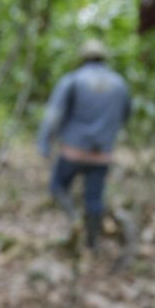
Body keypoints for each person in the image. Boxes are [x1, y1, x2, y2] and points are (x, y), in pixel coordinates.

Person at [37, 39, 131, 250]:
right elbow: (125, 115)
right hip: (102, 154)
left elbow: (54, 114)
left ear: (82, 58)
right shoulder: (119, 84)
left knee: (58, 186)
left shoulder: (72, 80)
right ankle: (93, 243)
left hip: (73, 151)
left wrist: (44, 142)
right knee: (94, 199)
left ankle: (73, 219)